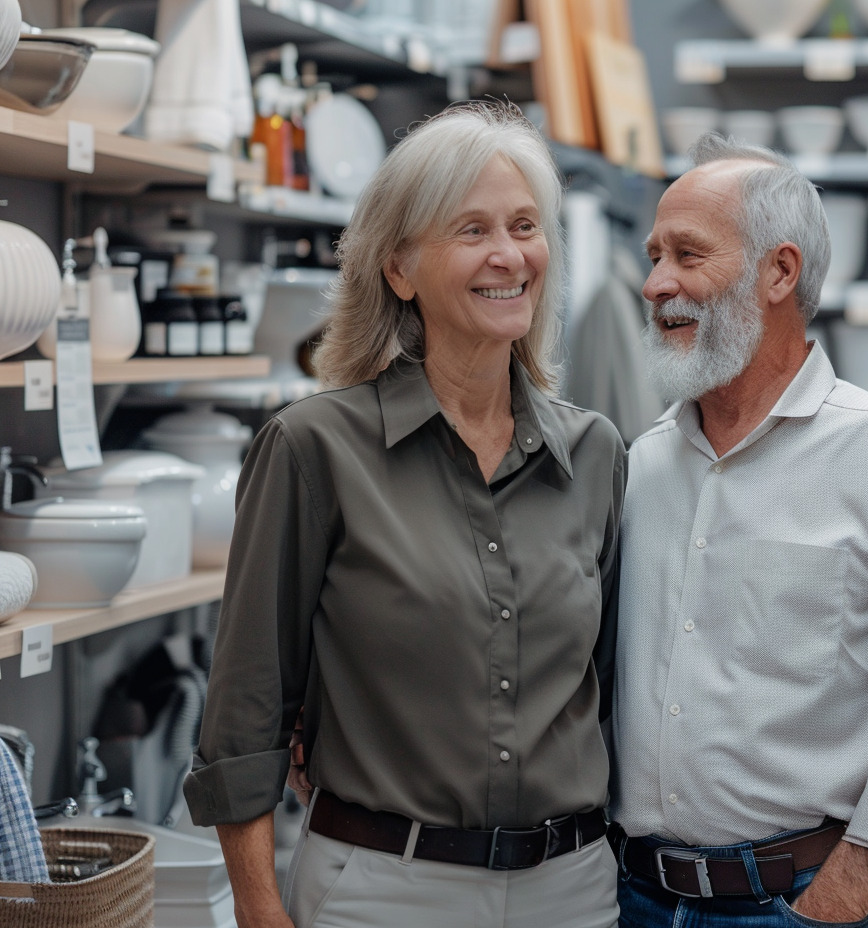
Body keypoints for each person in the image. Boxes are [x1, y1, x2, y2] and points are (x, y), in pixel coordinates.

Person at [183, 101, 625, 928]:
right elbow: (246, 710)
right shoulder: (314, 449)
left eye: (525, 226)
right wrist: (257, 905)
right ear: (398, 268)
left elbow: (605, 691)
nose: (509, 255)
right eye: (472, 231)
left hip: (571, 892)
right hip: (382, 891)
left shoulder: (595, 454)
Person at [607, 133, 868, 928]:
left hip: (801, 904)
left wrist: (834, 906)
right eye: (653, 256)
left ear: (779, 272)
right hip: (633, 899)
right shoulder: (641, 464)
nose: (654, 284)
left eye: (686, 255)